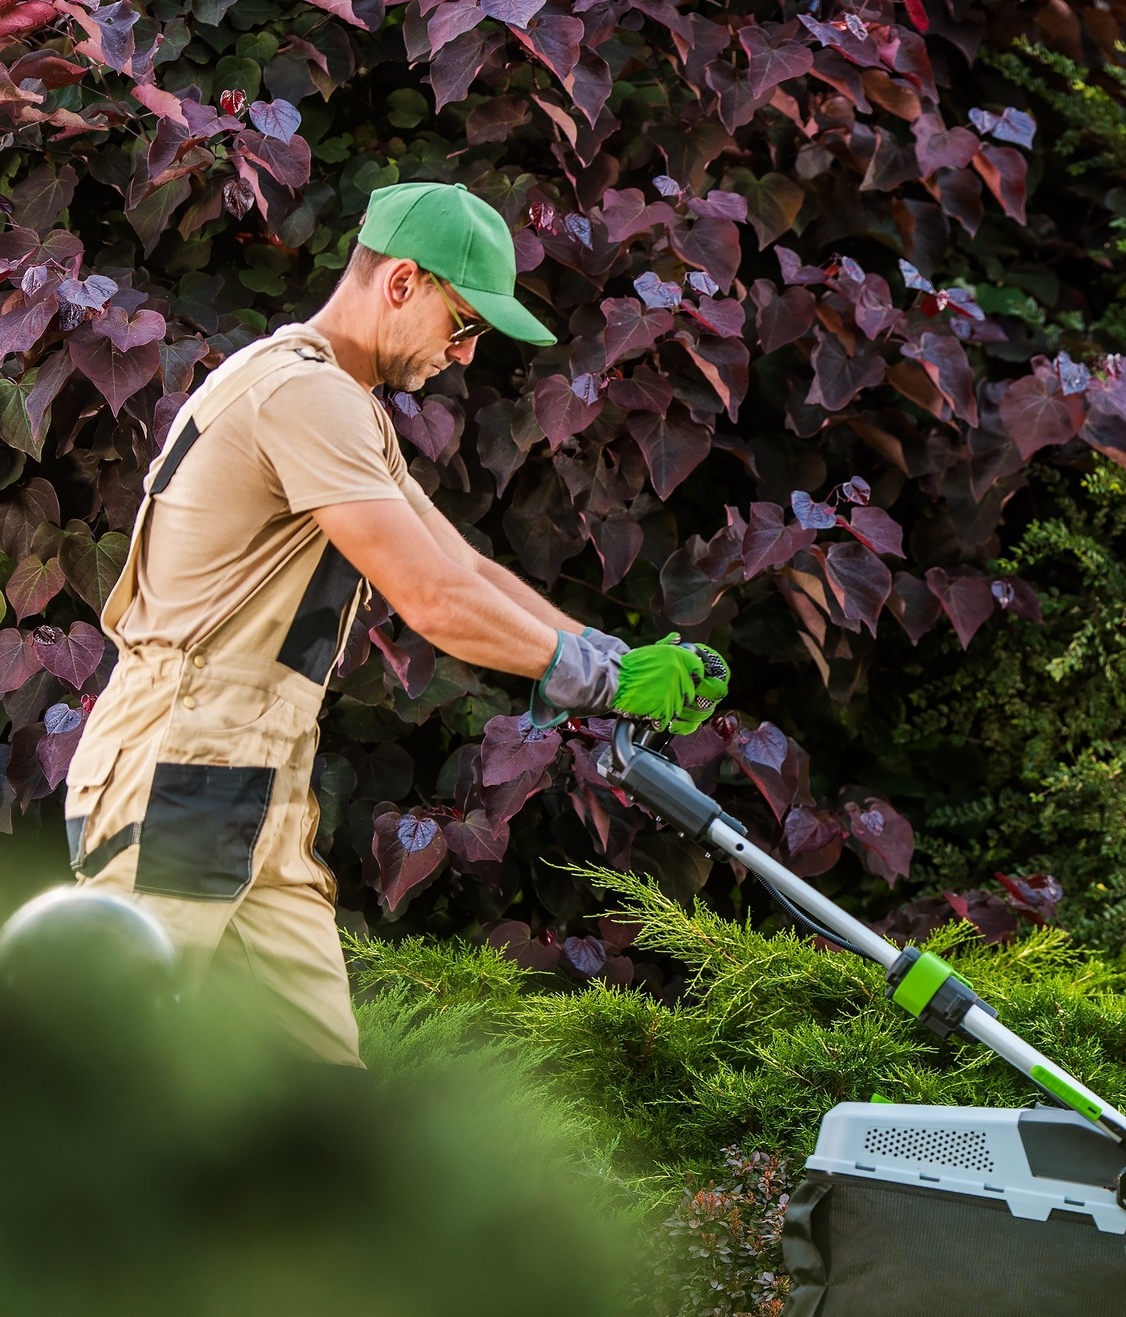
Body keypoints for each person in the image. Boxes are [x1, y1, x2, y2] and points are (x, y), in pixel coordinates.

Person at [61, 180, 726, 1066]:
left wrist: (616, 657)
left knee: (319, 1097)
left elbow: (468, 568)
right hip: (185, 761)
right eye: (464, 326)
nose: (463, 356)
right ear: (403, 282)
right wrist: (597, 680)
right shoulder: (305, 398)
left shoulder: (337, 403)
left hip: (252, 775)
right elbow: (433, 601)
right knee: (113, 1078)